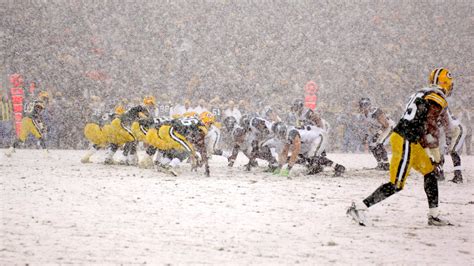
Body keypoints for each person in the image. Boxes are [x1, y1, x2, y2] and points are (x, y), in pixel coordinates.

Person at [347, 68, 454, 226]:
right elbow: (430, 125)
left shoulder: (421, 92)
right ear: (444, 82)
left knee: (430, 172)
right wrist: (435, 152)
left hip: (410, 138)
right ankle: (359, 207)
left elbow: (420, 122)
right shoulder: (437, 96)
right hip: (406, 139)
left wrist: (428, 149)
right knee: (396, 184)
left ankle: (434, 215)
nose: (451, 87)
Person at [5, 91, 49, 156]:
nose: (45, 100)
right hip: (31, 120)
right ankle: (46, 153)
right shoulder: (39, 103)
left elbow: (25, 110)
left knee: (21, 139)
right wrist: (41, 125)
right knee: (40, 136)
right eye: (45, 98)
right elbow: (37, 114)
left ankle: (10, 150)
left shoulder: (31, 101)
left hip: (24, 120)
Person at [358, 97, 395, 170]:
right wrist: (366, 136)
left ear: (369, 104)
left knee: (377, 144)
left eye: (366, 104)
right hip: (381, 128)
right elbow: (369, 127)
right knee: (372, 145)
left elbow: (386, 125)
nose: (364, 107)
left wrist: (377, 134)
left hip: (388, 127)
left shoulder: (374, 111)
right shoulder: (364, 115)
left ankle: (386, 164)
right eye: (362, 105)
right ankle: (381, 164)